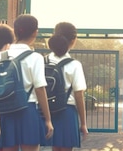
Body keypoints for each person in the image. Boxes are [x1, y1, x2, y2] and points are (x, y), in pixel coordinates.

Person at [0, 14, 53, 151]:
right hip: (28, 110)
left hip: (5, 110)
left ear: (15, 31)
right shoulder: (35, 57)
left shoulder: (2, 55)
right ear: (35, 32)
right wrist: (48, 119)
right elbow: (40, 89)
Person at [44, 22, 88, 151]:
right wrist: (83, 123)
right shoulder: (74, 64)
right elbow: (79, 95)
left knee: (55, 148)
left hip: (47, 110)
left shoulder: (43, 60)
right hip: (66, 111)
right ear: (73, 40)